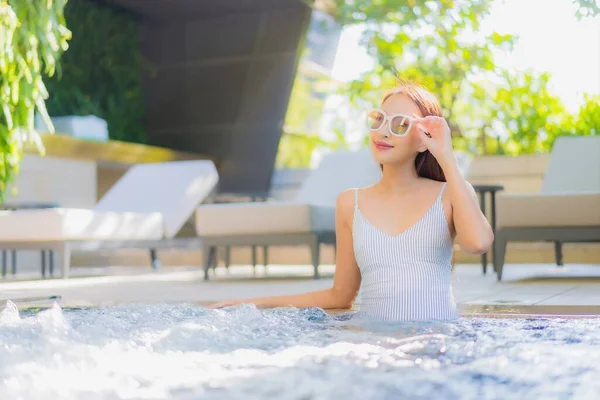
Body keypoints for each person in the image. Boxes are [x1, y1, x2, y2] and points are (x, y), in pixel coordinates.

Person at [208, 81, 494, 322]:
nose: (383, 131)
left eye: (400, 125)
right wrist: (252, 303)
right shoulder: (350, 203)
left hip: (435, 344)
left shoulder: (451, 193)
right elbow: (340, 296)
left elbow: (478, 243)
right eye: (379, 119)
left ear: (423, 141)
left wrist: (447, 157)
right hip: (372, 345)